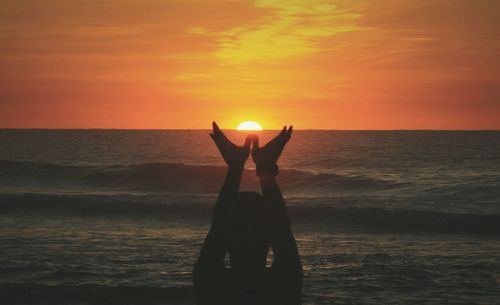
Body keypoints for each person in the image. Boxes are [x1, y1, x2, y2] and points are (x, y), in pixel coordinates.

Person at [193, 122, 302, 305]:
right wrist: (265, 171)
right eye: (247, 227)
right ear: (267, 236)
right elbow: (281, 231)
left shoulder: (211, 283)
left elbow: (219, 229)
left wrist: (235, 168)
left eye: (253, 228)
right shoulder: (284, 284)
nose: (250, 236)